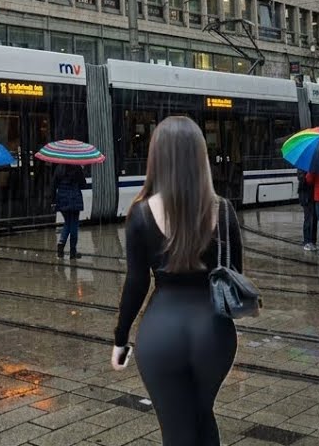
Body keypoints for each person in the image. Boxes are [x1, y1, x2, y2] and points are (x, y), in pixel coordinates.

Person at [112, 116, 241, 446]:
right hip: (214, 334)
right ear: (200, 156)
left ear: (158, 157)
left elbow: (136, 283)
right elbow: (235, 276)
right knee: (201, 417)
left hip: (161, 332)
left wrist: (121, 338)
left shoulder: (140, 213)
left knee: (178, 431)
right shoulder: (224, 211)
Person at [50, 163, 88, 259]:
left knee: (67, 222)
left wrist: (53, 201)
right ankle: (72, 251)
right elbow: (83, 184)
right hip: (75, 198)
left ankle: (61, 243)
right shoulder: (77, 167)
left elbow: (53, 185)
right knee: (74, 224)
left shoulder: (59, 168)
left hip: (62, 198)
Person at [298, 170, 316, 251]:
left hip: (313, 196)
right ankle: (307, 241)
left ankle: (312, 240)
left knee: (313, 219)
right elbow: (302, 180)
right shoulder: (303, 167)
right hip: (307, 197)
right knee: (308, 219)